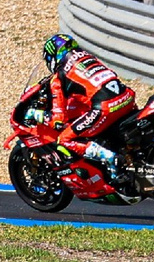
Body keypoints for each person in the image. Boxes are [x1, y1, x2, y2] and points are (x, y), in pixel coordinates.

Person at [39, 31, 135, 177]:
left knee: (64, 139)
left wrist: (39, 115)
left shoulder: (59, 76)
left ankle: (110, 158)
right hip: (127, 98)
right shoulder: (89, 57)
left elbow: (58, 118)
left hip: (106, 107)